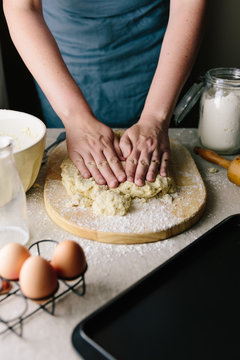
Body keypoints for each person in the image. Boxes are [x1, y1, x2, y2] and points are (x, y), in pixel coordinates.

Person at [3, 0, 206, 188]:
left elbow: (187, 5)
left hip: (158, 63)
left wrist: (156, 116)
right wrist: (75, 117)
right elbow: (22, 7)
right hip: (62, 69)